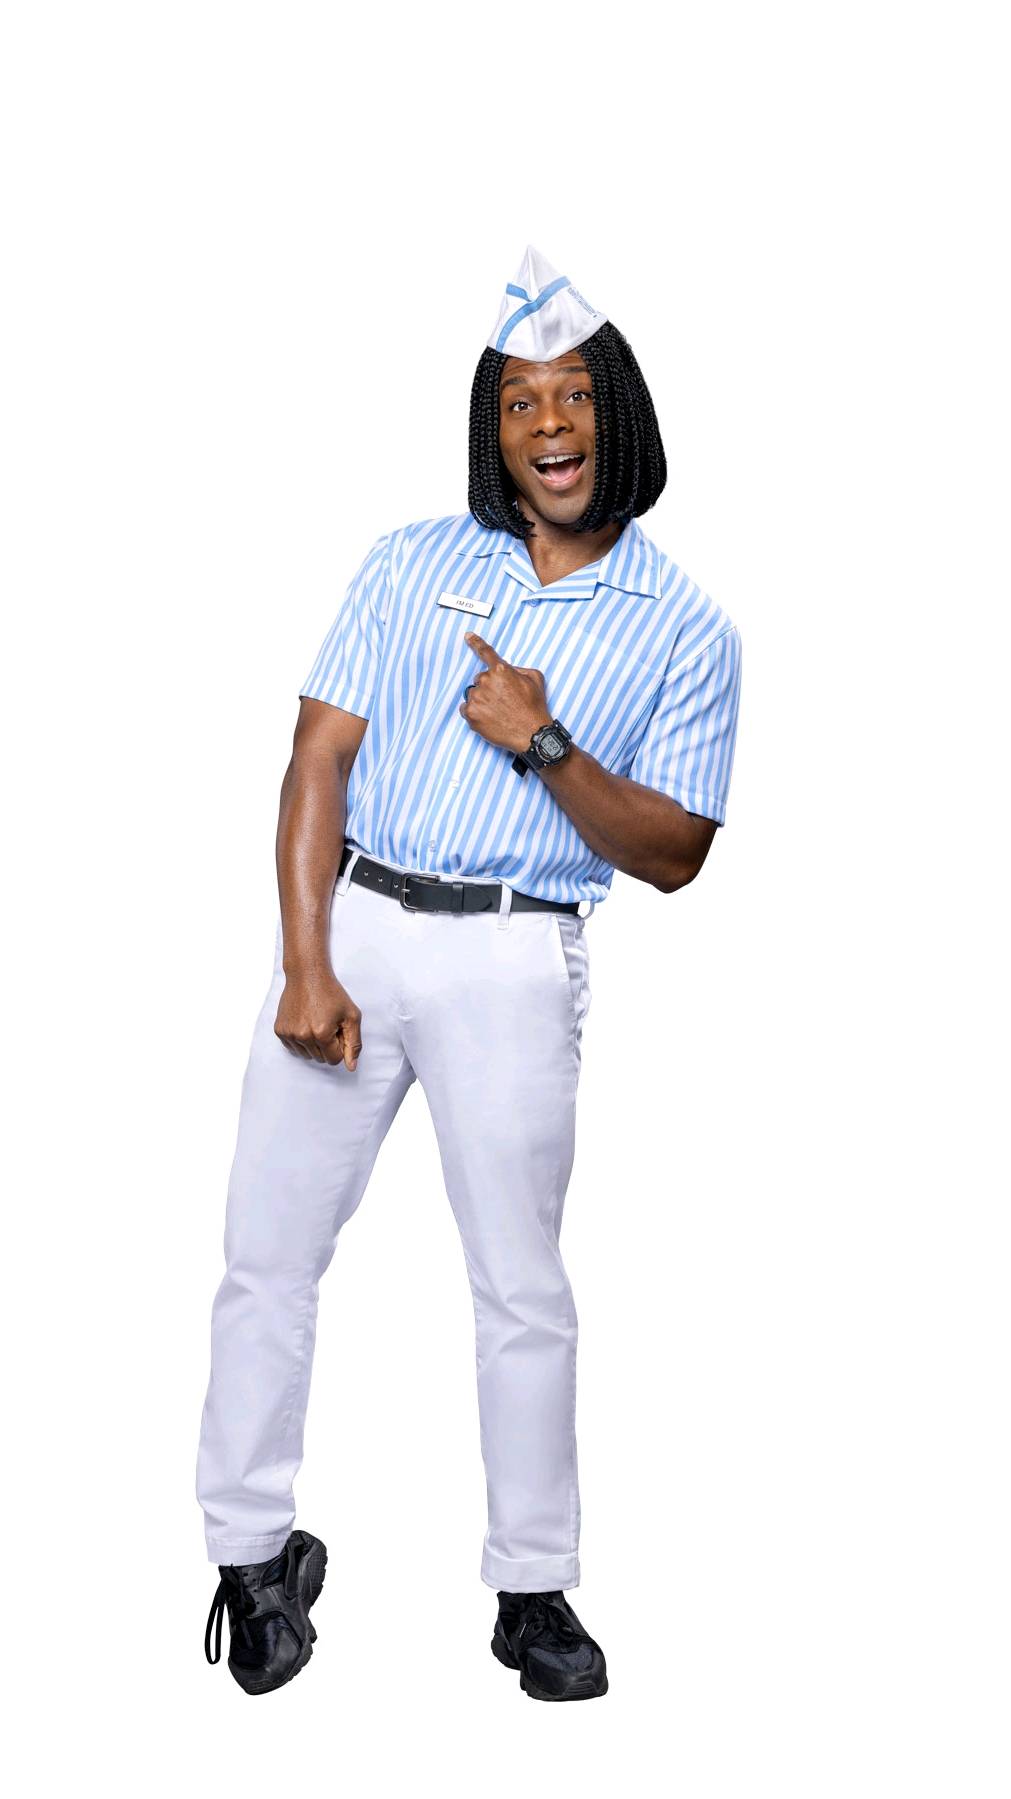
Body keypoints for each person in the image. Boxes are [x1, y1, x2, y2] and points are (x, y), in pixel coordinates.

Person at [196, 246, 743, 1700]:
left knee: (519, 1285)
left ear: (617, 412)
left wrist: (544, 742)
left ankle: (532, 1590)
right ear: (492, 431)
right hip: (356, 925)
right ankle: (249, 1557)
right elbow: (318, 757)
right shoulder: (409, 561)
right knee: (267, 1256)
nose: (547, 425)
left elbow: (678, 852)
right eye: (518, 404)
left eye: (573, 397)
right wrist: (305, 962)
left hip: (514, 952)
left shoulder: (688, 629)